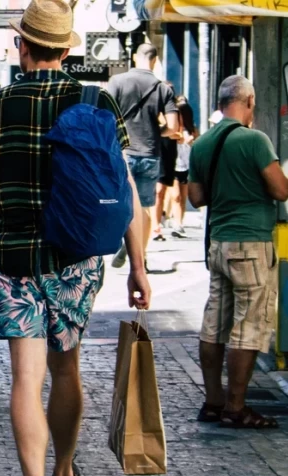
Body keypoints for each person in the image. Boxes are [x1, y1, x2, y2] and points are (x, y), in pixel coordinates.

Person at [0, 0, 150, 476]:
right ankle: (63, 473)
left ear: (22, 45)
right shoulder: (95, 99)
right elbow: (122, 189)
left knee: (25, 379)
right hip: (75, 258)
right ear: (68, 48)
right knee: (66, 370)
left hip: (11, 257)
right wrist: (139, 266)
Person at [187, 76, 288, 430]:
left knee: (214, 324)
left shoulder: (202, 144)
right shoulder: (254, 140)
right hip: (251, 243)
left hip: (218, 244)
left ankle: (213, 402)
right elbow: (280, 190)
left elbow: (196, 198)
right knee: (248, 325)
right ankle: (236, 407)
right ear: (248, 101)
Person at [107, 43, 180, 270]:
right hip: (150, 153)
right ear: (155, 60)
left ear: (134, 57)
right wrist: (156, 133)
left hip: (123, 154)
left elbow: (105, 118)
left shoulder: (117, 82)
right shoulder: (162, 88)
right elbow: (173, 126)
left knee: (121, 204)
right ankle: (141, 256)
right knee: (146, 207)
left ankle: (124, 241)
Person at [167, 97, 197, 238]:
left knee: (183, 196)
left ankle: (179, 222)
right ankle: (175, 222)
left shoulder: (192, 129)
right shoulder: (174, 129)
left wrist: (191, 141)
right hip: (174, 165)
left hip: (187, 165)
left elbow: (197, 142)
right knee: (176, 195)